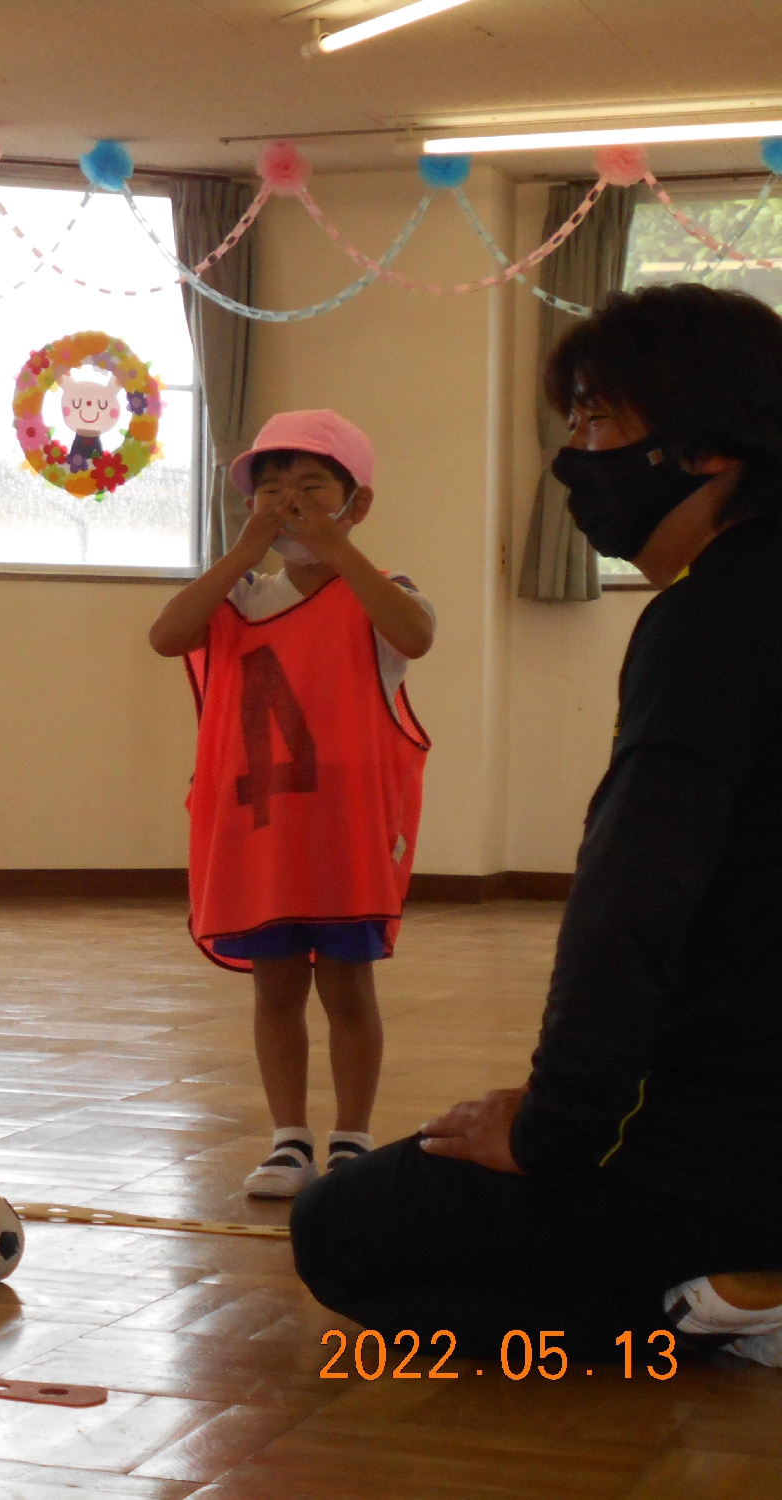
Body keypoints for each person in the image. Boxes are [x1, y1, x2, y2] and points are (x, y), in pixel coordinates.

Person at [292, 283, 782, 1367]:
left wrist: (555, 1125)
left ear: (705, 446)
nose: (574, 456)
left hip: (725, 1131)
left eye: (598, 421)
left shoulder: (708, 622)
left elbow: (630, 903)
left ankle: (717, 1299)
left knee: (341, 1232)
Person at [149, 410, 435, 1199]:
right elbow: (167, 634)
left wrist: (342, 551)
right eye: (271, 490)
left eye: (311, 486)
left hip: (342, 833)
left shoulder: (383, 593)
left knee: (348, 989)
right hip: (259, 830)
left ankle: (352, 1136)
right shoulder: (241, 595)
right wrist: (242, 550)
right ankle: (287, 1140)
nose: (289, 503)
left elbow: (415, 634)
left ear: (356, 503)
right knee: (275, 988)